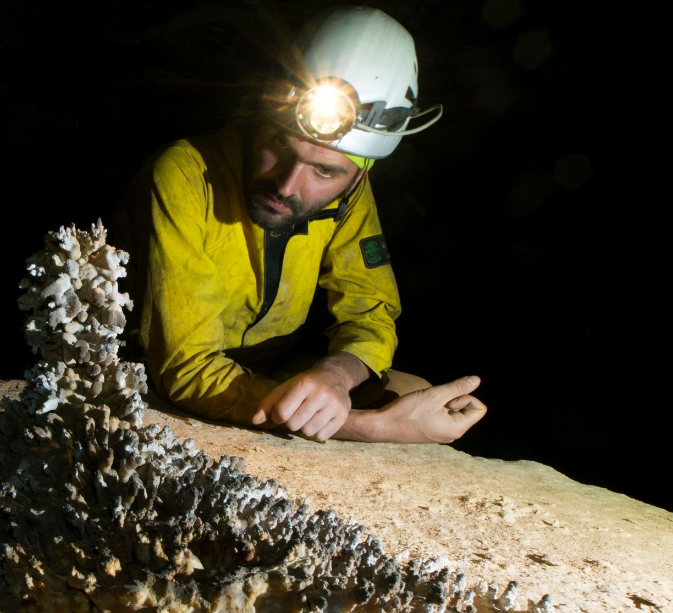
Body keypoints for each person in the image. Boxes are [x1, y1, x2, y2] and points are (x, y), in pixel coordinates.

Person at [113, 6, 486, 444]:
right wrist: (373, 427)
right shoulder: (184, 173)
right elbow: (184, 368)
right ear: (261, 118)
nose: (287, 185)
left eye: (324, 172)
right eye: (278, 145)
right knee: (402, 415)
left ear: (361, 174)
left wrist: (336, 373)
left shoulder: (351, 197)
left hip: (268, 370)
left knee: (412, 390)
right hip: (148, 374)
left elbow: (370, 310)